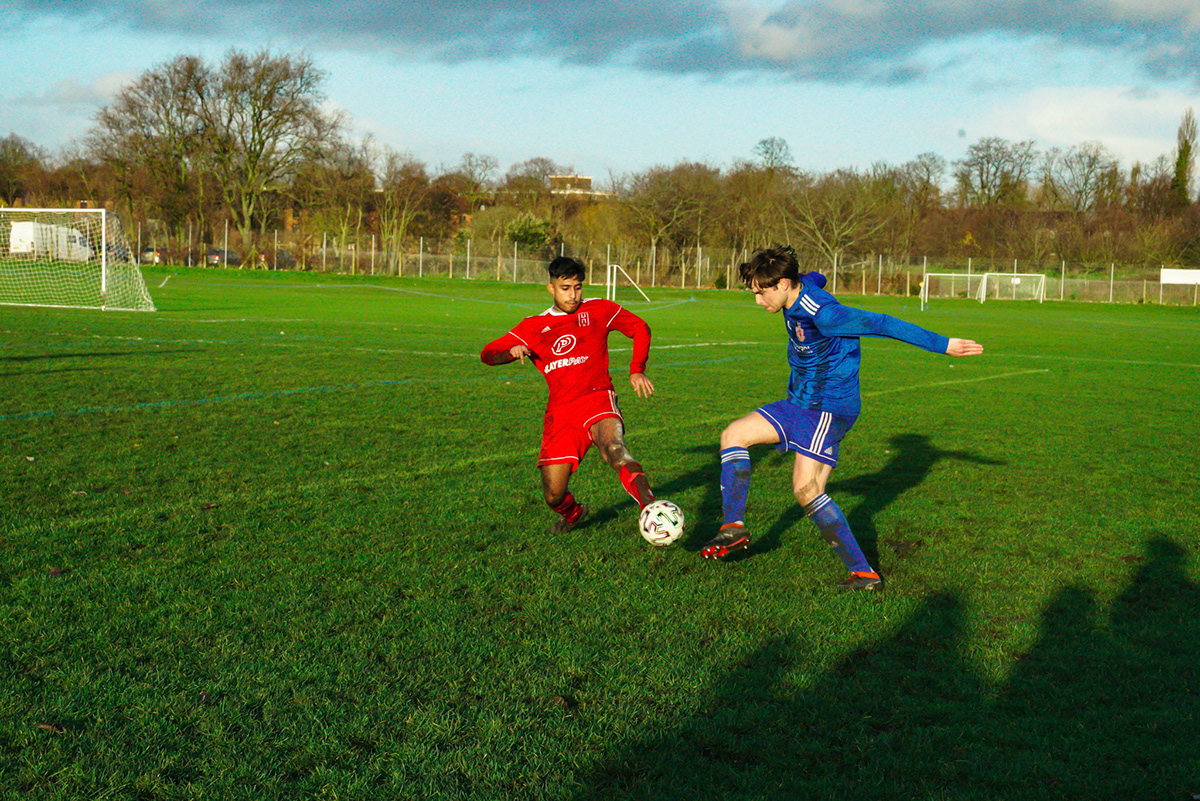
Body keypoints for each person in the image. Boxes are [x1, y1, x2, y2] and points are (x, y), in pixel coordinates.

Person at [701, 245, 984, 590]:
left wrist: (943, 344)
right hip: (800, 402)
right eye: (754, 292)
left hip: (828, 406)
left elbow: (882, 323)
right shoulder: (798, 287)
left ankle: (863, 573)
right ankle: (734, 528)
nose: (759, 301)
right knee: (734, 435)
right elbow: (815, 277)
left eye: (762, 293)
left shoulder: (825, 314)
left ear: (786, 284)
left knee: (806, 489)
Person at [480, 256, 658, 534]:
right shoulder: (533, 326)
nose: (573, 295)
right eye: (565, 288)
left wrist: (637, 369)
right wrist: (510, 352)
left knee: (614, 448)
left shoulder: (598, 309)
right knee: (553, 494)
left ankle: (652, 509)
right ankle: (574, 513)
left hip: (597, 397)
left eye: (577, 287)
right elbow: (487, 355)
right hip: (561, 413)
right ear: (551, 288)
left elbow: (639, 327)